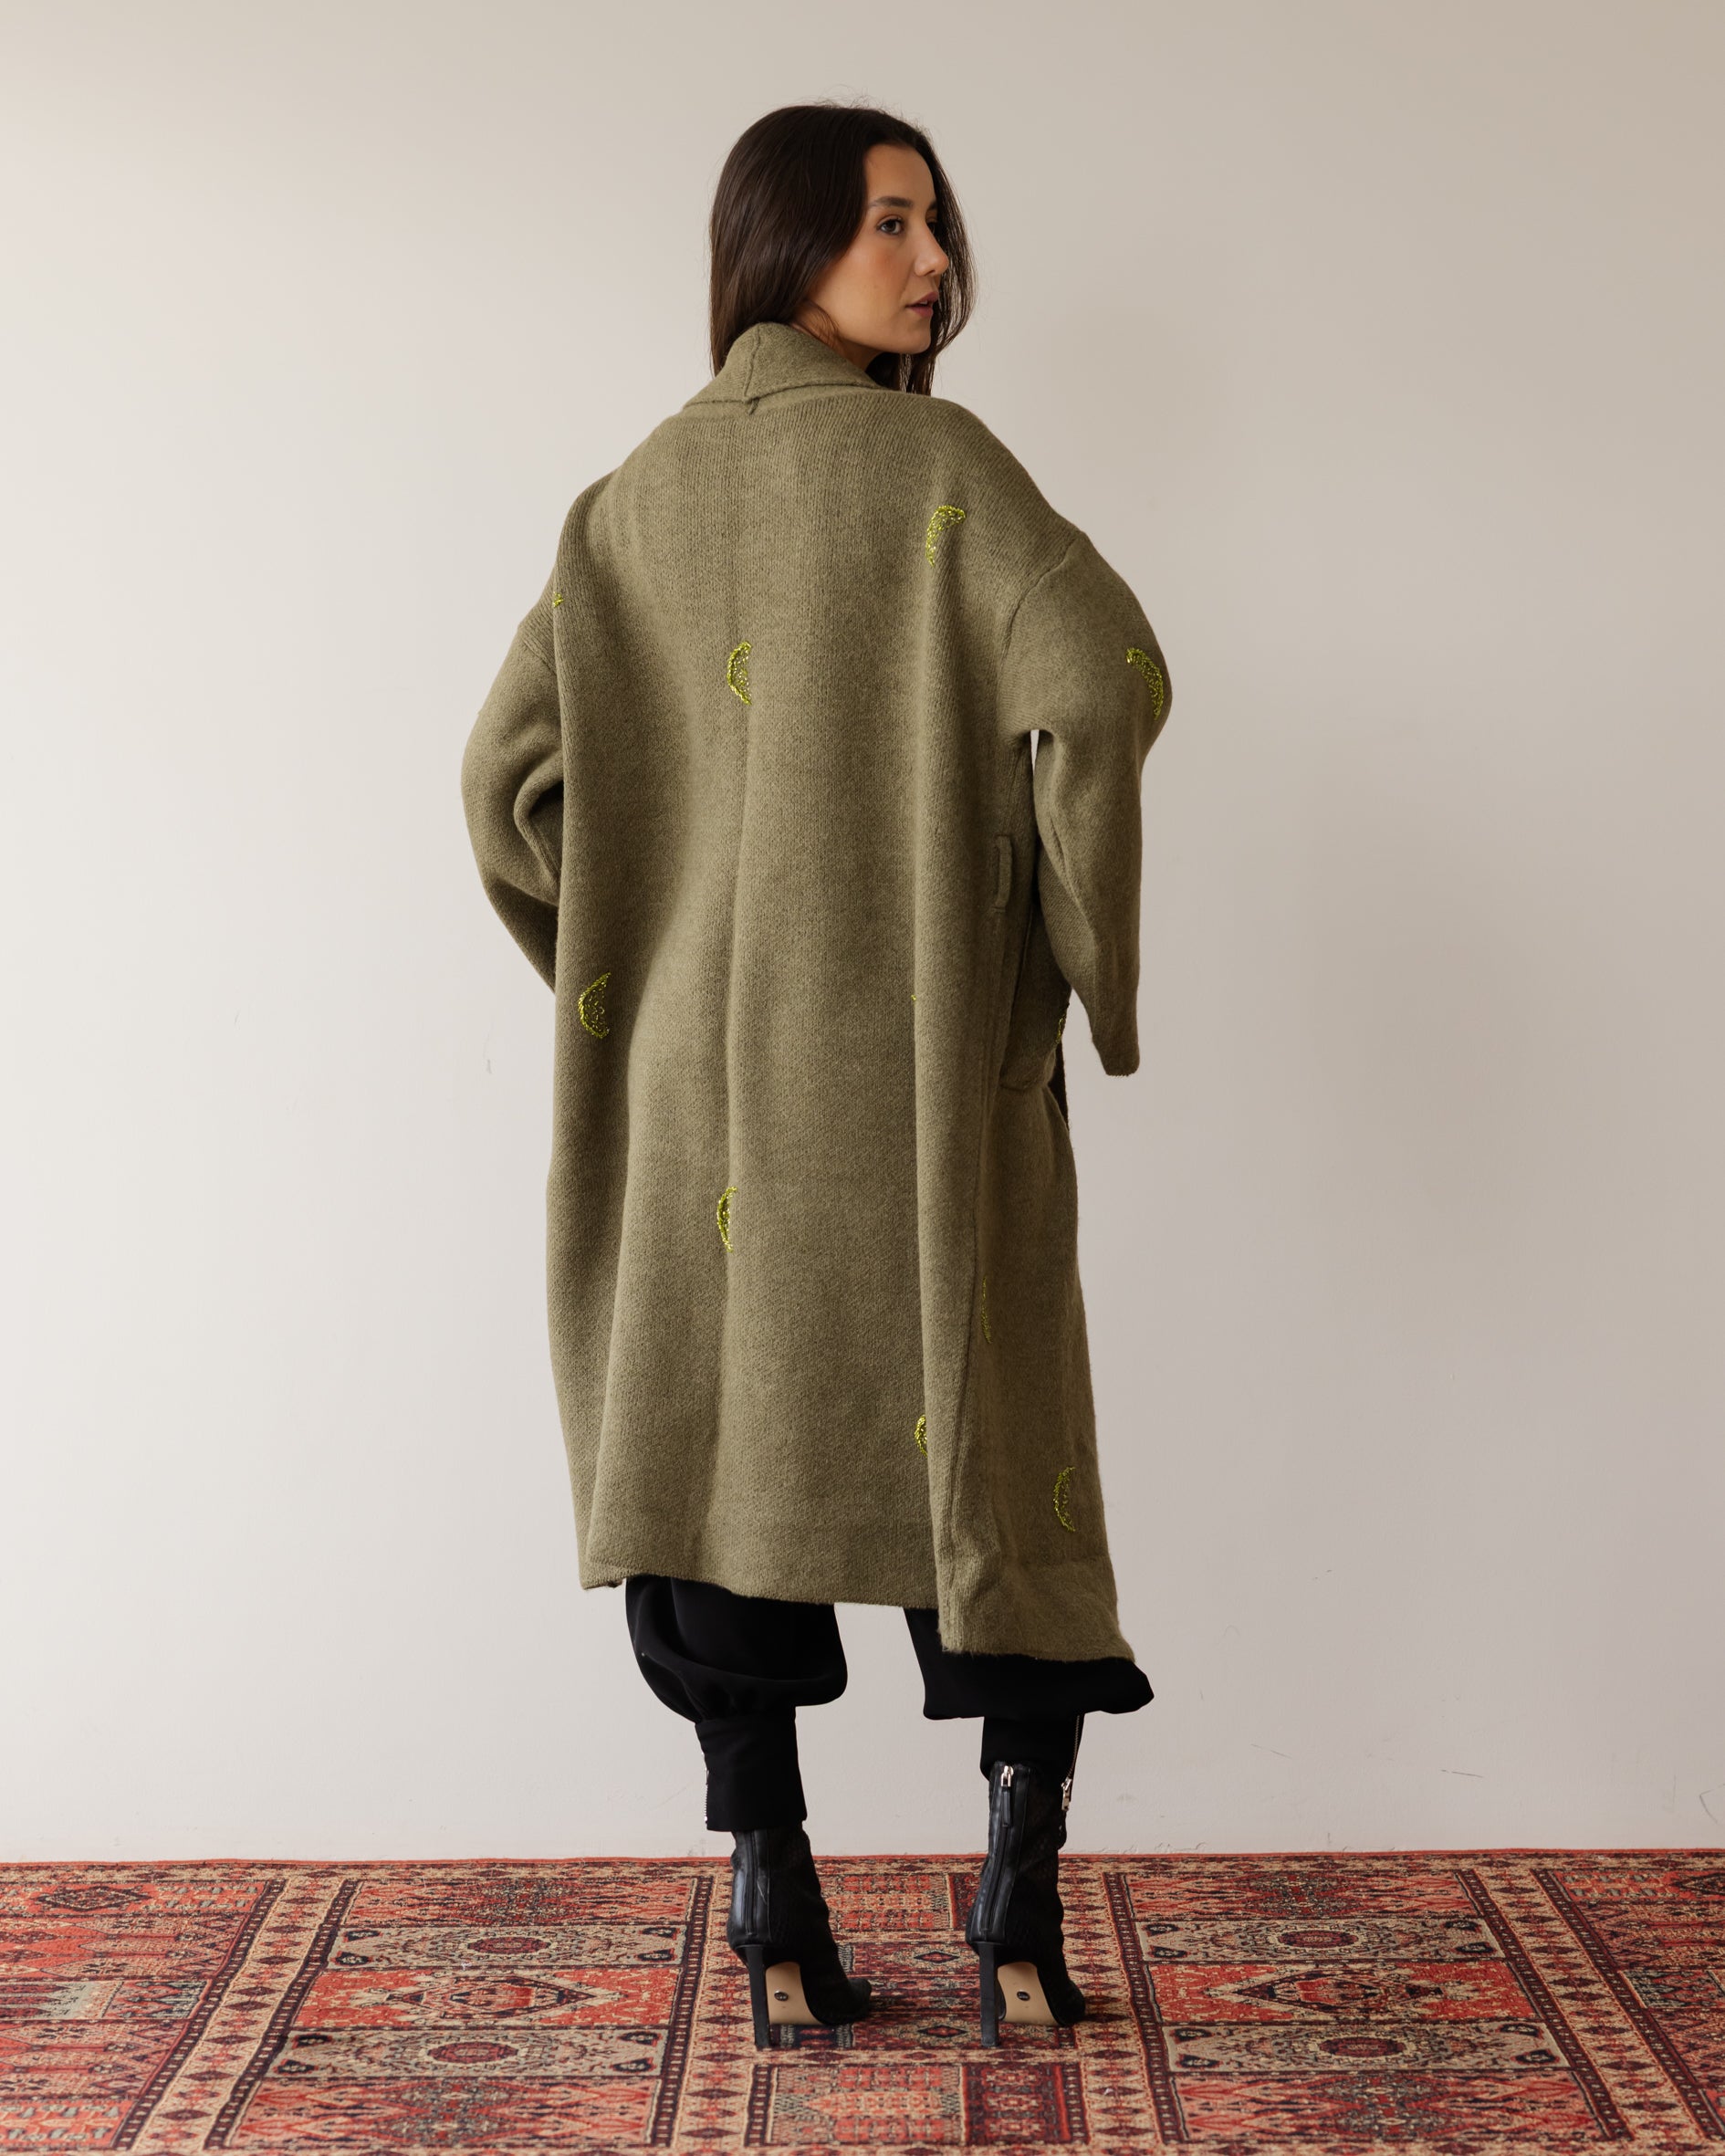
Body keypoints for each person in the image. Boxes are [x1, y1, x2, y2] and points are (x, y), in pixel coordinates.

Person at [459, 100, 1174, 2050]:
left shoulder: (625, 507)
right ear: (783, 246)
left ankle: (771, 1890)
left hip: (700, 1108)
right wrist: (1060, 955)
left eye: (935, 223)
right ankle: (1017, 1892)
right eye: (886, 223)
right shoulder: (945, 467)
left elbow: (503, 785)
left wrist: (634, 953)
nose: (932, 262)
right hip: (919, 1085)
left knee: (714, 1467)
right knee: (990, 1460)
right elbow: (1101, 676)